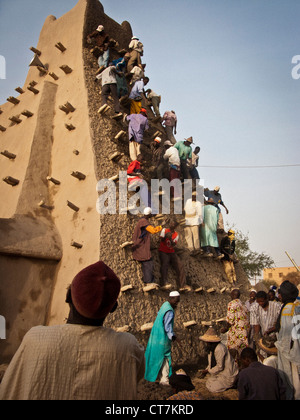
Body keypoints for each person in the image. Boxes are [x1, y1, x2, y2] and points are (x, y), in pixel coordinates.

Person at [0, 261, 145, 400]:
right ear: (113, 308)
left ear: (68, 296)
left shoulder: (35, 339)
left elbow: (9, 390)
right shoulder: (128, 347)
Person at [144, 291, 181, 385]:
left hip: (155, 337)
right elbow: (167, 327)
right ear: (171, 299)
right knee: (165, 358)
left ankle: (152, 378)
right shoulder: (170, 311)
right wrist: (173, 337)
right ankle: (164, 381)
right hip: (162, 339)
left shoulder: (165, 305)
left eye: (178, 301)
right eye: (176, 301)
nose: (177, 303)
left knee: (155, 358)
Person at [275, 280, 300, 400]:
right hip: (297, 348)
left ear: (285, 295)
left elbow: (286, 334)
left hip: (289, 351)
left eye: (280, 294)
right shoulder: (297, 306)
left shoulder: (287, 309)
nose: (279, 296)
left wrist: (281, 347)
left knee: (289, 378)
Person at [199, 327, 239, 393]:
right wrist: (206, 370)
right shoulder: (212, 350)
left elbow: (220, 367)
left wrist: (207, 371)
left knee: (213, 389)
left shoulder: (220, 348)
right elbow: (210, 364)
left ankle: (231, 385)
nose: (206, 344)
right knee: (209, 382)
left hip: (228, 375)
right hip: (221, 374)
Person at [132, 207, 162, 284]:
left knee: (148, 263)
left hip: (140, 246)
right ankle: (148, 282)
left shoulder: (142, 220)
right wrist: (161, 226)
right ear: (149, 214)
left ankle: (149, 281)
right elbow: (153, 230)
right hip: (140, 247)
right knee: (148, 263)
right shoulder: (143, 222)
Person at [251, 290, 282, 359]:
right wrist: (257, 337)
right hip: (264, 337)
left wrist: (271, 330)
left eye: (262, 301)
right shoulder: (254, 308)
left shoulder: (276, 306)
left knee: (275, 358)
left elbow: (280, 322)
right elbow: (256, 324)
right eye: (258, 302)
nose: (260, 303)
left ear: (267, 299)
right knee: (264, 358)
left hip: (275, 337)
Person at [159, 219, 187, 290]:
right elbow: (160, 239)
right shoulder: (164, 230)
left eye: (174, 224)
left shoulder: (176, 234)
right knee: (165, 264)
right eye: (171, 223)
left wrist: (170, 239)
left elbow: (174, 244)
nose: (172, 225)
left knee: (180, 266)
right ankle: (164, 282)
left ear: (176, 226)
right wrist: (166, 237)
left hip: (171, 251)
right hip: (163, 250)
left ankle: (182, 285)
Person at [224, 289, 250, 356]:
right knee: (243, 354)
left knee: (234, 353)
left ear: (233, 295)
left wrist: (225, 329)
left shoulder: (232, 304)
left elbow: (230, 320)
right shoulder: (244, 306)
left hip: (236, 334)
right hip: (244, 333)